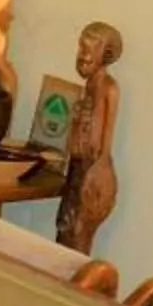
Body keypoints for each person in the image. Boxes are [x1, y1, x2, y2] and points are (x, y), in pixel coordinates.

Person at [56, 22, 122, 254]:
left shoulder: (109, 88)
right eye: (81, 48)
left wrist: (101, 165)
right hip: (77, 165)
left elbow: (107, 134)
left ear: (106, 54)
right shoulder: (88, 86)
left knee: (78, 232)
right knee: (65, 226)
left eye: (90, 49)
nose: (83, 56)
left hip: (91, 167)